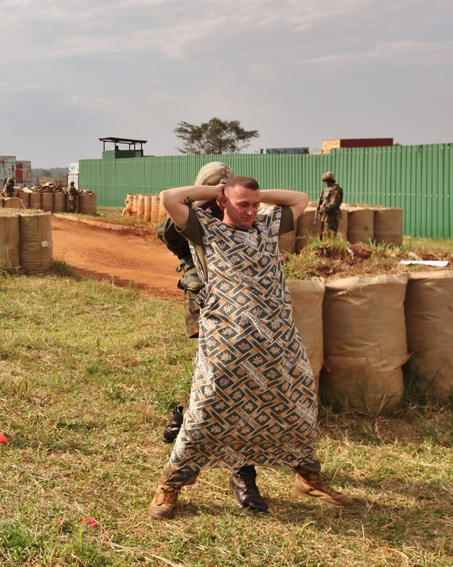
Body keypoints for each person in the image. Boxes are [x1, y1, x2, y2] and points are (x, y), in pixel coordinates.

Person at [149, 175, 356, 520]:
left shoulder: (266, 227)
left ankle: (308, 477)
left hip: (277, 341)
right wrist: (219, 191)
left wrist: (250, 196)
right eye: (243, 204)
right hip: (227, 342)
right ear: (224, 203)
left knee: (298, 408)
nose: (251, 211)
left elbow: (299, 197)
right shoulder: (204, 230)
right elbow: (169, 196)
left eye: (255, 204)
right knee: (205, 412)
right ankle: (171, 483)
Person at [155, 163, 267, 513]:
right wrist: (208, 198)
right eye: (217, 187)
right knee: (216, 383)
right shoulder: (188, 221)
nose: (224, 191)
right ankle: (191, 432)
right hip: (210, 307)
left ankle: (241, 470)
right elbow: (171, 230)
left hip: (246, 315)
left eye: (227, 185)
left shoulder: (244, 218)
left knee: (237, 387)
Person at [316, 172, 343, 237]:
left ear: (332, 180)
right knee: (323, 235)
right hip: (325, 215)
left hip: (332, 215)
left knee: (330, 235)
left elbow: (334, 203)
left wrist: (323, 209)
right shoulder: (327, 189)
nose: (326, 182)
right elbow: (325, 201)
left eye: (328, 180)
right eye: (325, 180)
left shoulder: (335, 189)